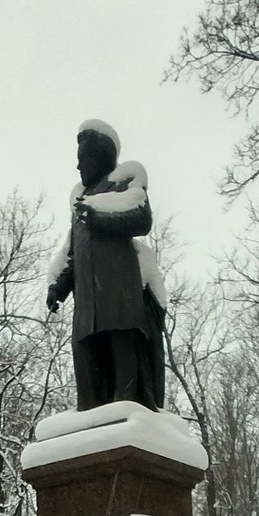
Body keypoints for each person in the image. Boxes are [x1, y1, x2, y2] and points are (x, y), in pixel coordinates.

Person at [46, 119, 166, 411]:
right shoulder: (79, 200)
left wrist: (99, 216)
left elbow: (141, 218)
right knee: (87, 368)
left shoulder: (126, 179)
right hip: (87, 307)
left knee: (125, 373)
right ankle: (90, 433)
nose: (78, 168)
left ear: (99, 157)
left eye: (82, 159)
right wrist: (58, 286)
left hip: (120, 298)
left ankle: (127, 429)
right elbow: (73, 252)